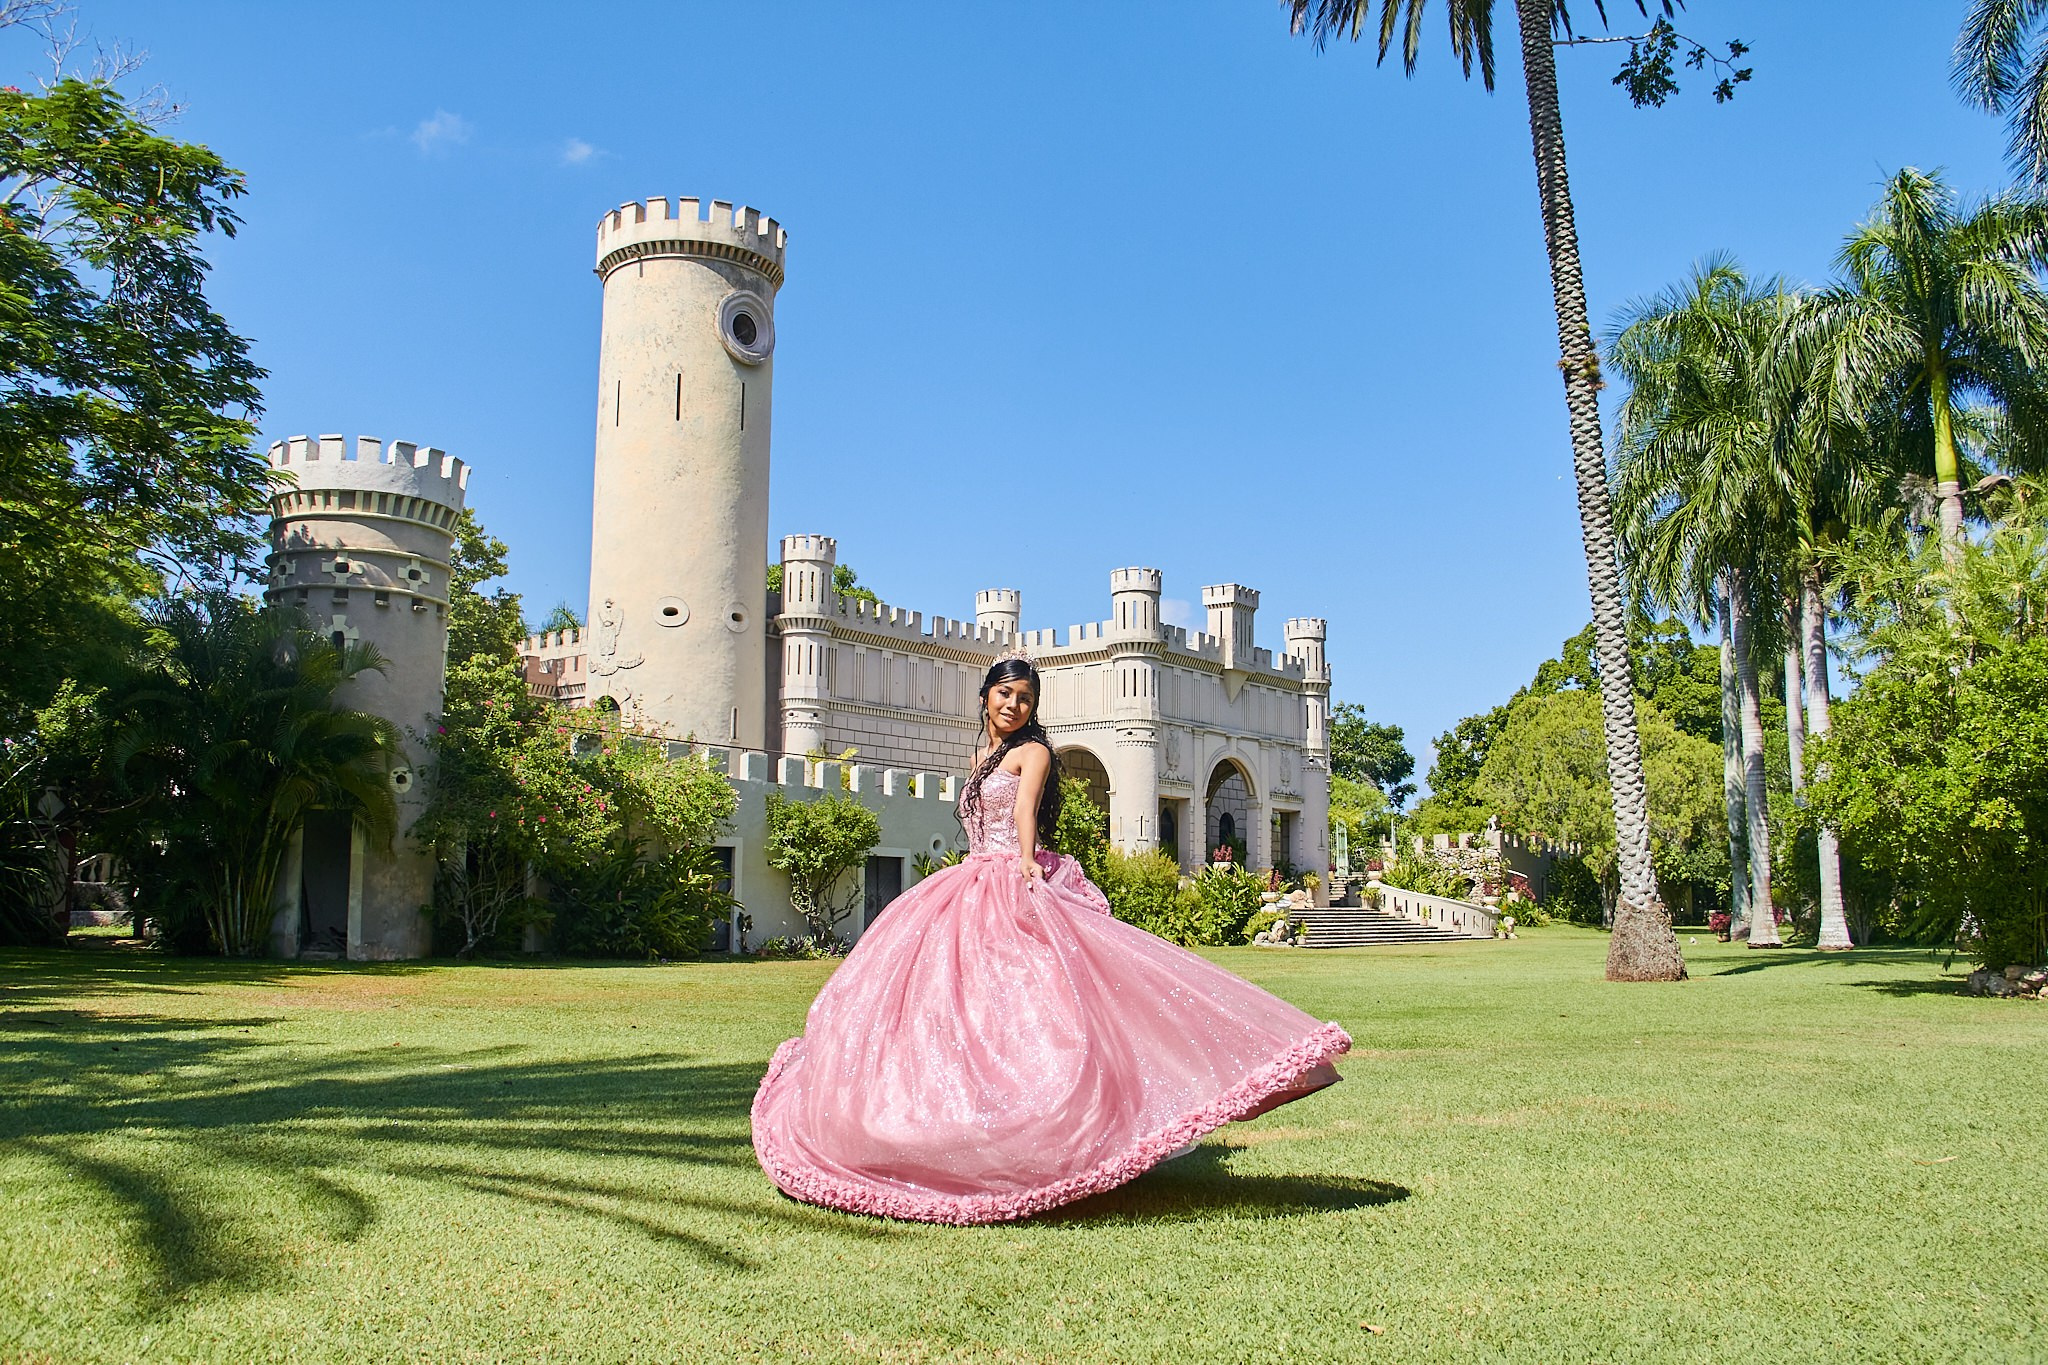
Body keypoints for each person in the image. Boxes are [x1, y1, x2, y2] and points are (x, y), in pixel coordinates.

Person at [751, 652, 1351, 1224]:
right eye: (1005, 693)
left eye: (1025, 698)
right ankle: (940, 1120)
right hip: (968, 878)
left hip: (1009, 872)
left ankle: (1040, 1124)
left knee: (1032, 1002)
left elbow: (1024, 815)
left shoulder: (1032, 752)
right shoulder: (983, 755)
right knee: (947, 1006)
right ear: (985, 696)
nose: (1014, 704)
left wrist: (1024, 863)